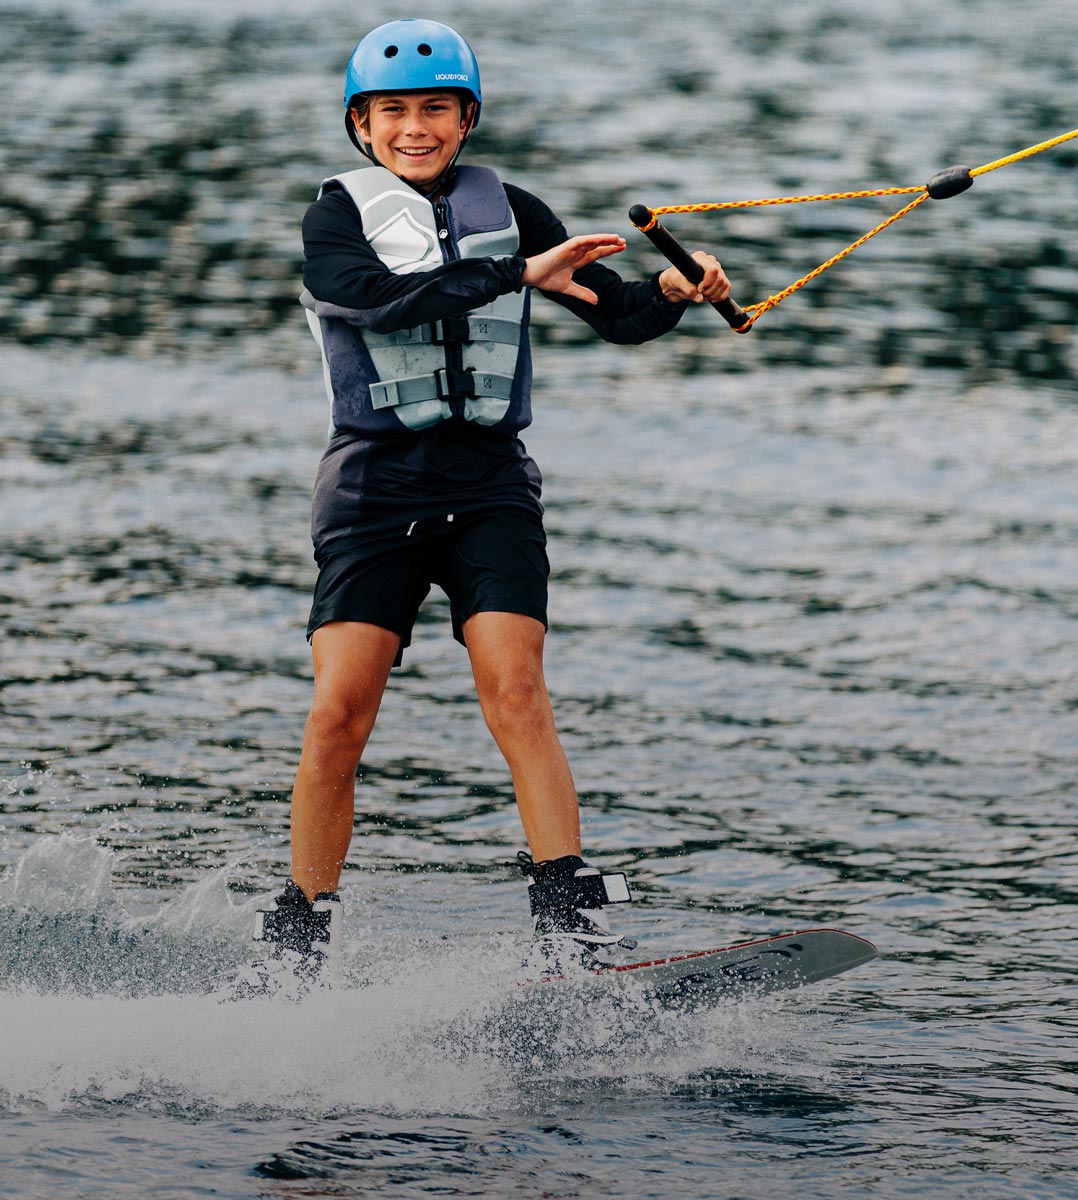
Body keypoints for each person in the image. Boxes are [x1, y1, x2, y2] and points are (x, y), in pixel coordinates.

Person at [230, 18, 730, 998]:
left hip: (490, 482)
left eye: (434, 110)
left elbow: (611, 310)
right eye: (392, 114)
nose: (414, 128)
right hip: (376, 485)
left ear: (465, 119)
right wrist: (514, 275)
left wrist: (670, 292)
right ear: (362, 128)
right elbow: (372, 301)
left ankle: (566, 924)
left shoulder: (513, 207)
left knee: (516, 687)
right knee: (340, 714)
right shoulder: (335, 219)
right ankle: (299, 935)